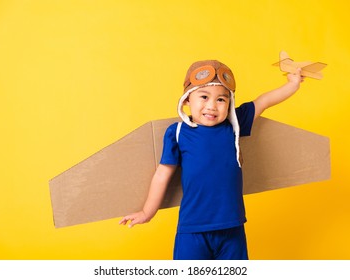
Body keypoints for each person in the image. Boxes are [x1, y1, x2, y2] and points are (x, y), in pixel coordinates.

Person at [119, 60, 303, 260]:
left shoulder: (234, 124)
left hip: (232, 227)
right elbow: (162, 175)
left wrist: (292, 84)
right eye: (204, 97)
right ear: (187, 99)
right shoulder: (177, 132)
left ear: (229, 103)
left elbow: (264, 101)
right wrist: (147, 212)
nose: (212, 106)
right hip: (192, 229)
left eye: (221, 100)